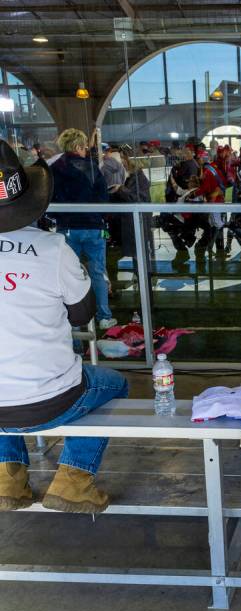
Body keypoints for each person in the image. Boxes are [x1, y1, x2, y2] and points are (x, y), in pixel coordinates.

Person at [0, 139, 128, 514]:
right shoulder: (53, 249)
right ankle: (74, 479)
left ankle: (9, 478)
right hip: (52, 401)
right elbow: (82, 313)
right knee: (116, 384)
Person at [50, 128, 116, 330]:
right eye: (85, 146)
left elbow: (51, 198)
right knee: (98, 271)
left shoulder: (54, 168)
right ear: (78, 146)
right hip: (93, 227)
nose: (87, 150)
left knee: (71, 275)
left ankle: (75, 326)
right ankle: (104, 316)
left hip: (67, 228)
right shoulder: (91, 166)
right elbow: (103, 197)